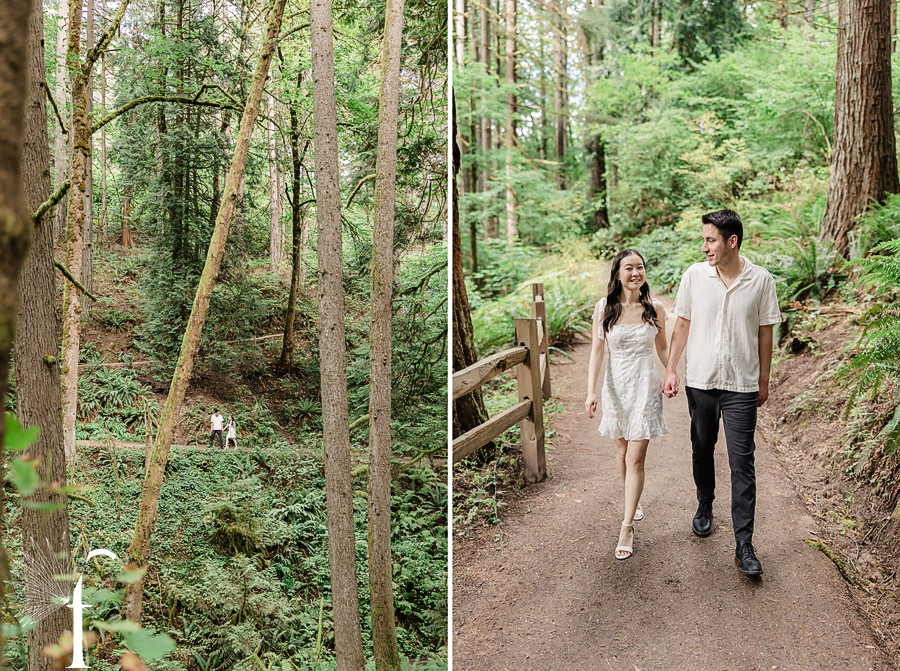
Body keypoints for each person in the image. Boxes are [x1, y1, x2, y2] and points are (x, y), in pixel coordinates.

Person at [663, 209, 781, 577]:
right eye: (704, 239)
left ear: (732, 241)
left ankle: (744, 543)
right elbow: (681, 323)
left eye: (710, 240)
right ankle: (704, 503)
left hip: (742, 386)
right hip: (700, 381)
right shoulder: (695, 276)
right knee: (701, 448)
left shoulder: (761, 281)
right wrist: (670, 367)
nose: (704, 247)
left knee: (742, 462)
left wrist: (763, 379)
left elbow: (765, 332)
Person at [585, 249, 669, 560]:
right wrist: (591, 391)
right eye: (629, 268)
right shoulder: (604, 308)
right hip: (616, 387)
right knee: (621, 451)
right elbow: (597, 352)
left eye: (640, 267)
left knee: (635, 458)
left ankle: (626, 525)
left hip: (645, 386)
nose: (636, 273)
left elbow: (662, 349)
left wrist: (672, 373)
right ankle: (633, 503)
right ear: (617, 274)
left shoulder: (655, 308)